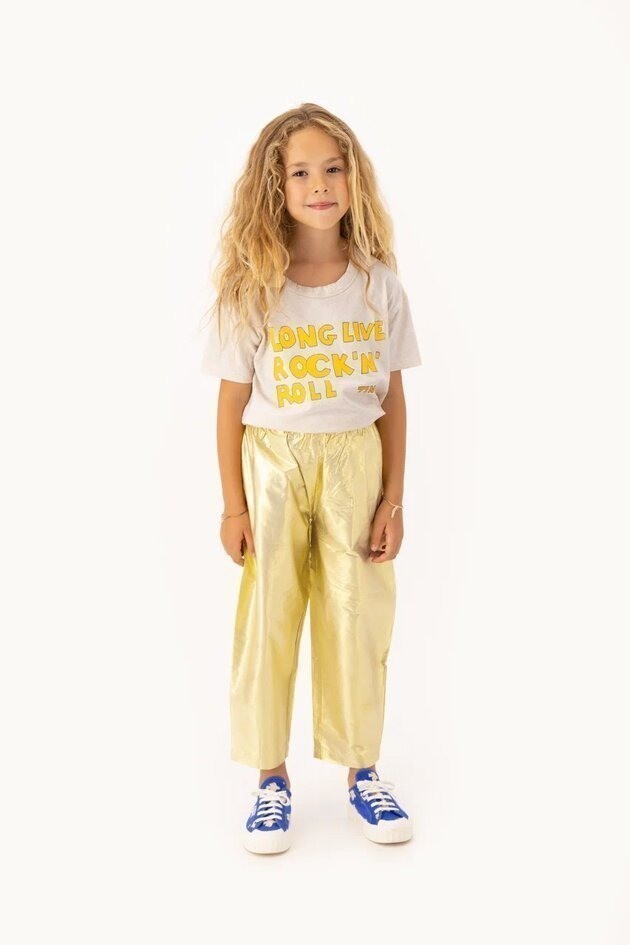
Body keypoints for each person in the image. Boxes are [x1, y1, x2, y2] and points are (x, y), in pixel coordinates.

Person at [200, 103, 422, 854]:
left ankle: (363, 770)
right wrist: (233, 506)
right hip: (272, 462)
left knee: (357, 613)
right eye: (300, 172)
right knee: (269, 615)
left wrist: (394, 497)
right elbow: (230, 402)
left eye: (332, 169)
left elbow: (392, 397)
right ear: (276, 186)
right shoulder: (255, 288)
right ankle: (271, 777)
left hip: (355, 461)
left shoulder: (379, 285)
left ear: (354, 179)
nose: (319, 184)